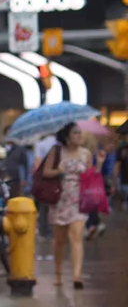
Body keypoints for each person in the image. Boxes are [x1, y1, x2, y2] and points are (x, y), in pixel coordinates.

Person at [39, 122, 96, 289]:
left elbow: (91, 176)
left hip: (78, 200)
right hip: (60, 200)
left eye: (80, 133)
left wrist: (98, 163)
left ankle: (77, 275)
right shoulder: (56, 152)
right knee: (59, 240)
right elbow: (45, 172)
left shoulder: (86, 154)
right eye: (76, 133)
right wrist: (60, 171)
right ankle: (58, 273)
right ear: (67, 137)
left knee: (76, 236)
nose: (79, 136)